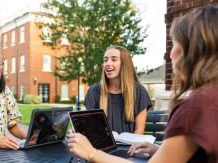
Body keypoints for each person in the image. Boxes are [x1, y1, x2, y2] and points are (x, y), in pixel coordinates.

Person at [68, 5, 218, 163]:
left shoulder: (196, 105)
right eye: (105, 60)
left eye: (174, 43)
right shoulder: (210, 98)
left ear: (192, 50)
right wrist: (159, 150)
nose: (170, 54)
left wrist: (92, 153)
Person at [85, 45, 152, 134]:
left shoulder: (139, 91)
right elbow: (90, 128)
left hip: (130, 147)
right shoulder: (94, 92)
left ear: (125, 64)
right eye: (105, 60)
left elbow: (139, 131)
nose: (108, 63)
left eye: (114, 59)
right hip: (102, 147)